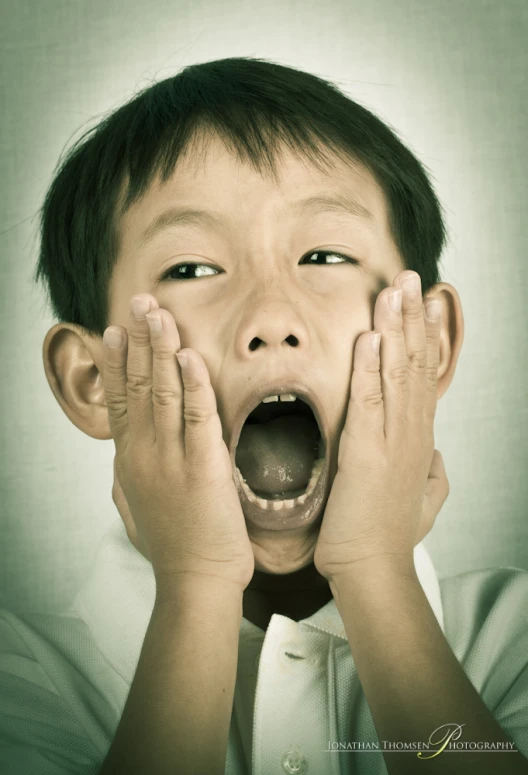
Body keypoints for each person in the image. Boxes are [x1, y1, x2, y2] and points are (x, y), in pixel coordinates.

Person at [1, 57, 527, 775]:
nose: (272, 319)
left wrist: (377, 571)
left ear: (428, 343)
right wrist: (196, 585)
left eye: (324, 254)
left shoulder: (515, 637)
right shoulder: (19, 675)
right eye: (190, 269)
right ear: (94, 380)